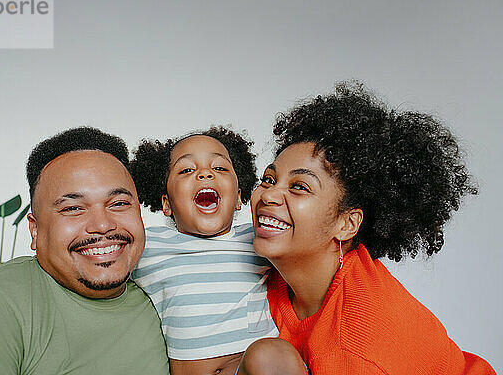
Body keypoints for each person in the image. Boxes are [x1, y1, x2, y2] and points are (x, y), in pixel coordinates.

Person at [238, 83, 496, 375]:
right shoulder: (272, 271)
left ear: (346, 224)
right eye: (269, 179)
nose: (268, 195)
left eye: (299, 187)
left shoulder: (353, 349)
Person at [0, 127, 170, 375]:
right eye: (73, 208)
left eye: (119, 203)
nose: (102, 225)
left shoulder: (166, 291)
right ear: (35, 229)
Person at [130, 126, 279, 375]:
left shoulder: (258, 238)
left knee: (273, 353)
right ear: (166, 203)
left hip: (258, 368)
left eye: (219, 168)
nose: (205, 174)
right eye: (187, 170)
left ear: (239, 197)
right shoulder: (148, 244)